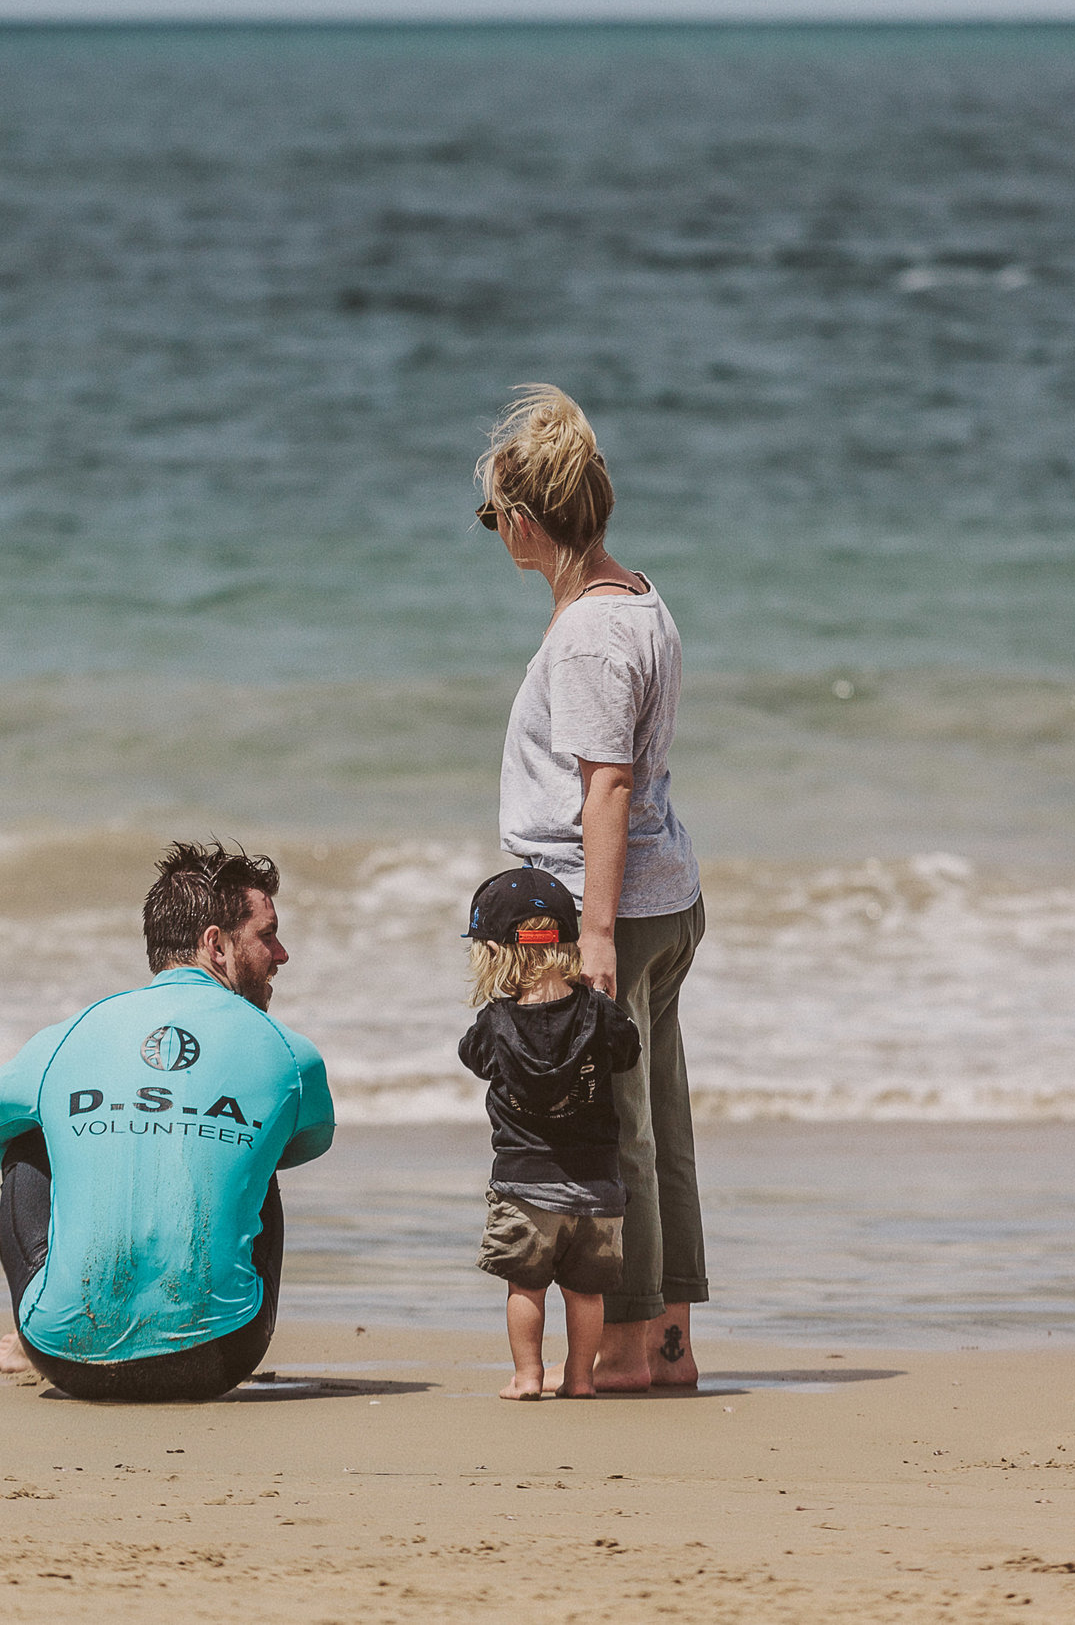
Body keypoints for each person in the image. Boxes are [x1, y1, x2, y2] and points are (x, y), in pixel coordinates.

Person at [476, 383, 707, 1390]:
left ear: (526, 521)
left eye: (494, 519)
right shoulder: (637, 598)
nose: (495, 535)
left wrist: (594, 934)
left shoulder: (585, 636)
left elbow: (604, 783)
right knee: (657, 1118)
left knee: (611, 1130)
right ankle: (668, 1335)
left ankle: (623, 1342)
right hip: (664, 889)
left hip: (598, 905)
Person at [0, 841, 334, 1402]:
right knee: (259, 1154)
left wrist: (105, 1130)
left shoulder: (72, 1033)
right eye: (267, 935)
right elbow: (309, 1140)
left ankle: (47, 1304)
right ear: (216, 944)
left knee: (27, 1138)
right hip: (221, 1352)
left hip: (64, 1355)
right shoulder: (289, 1053)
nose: (281, 954)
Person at [459, 867, 640, 1401]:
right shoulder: (599, 1014)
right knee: (586, 1292)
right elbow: (628, 1052)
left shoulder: (496, 1022)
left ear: (493, 953)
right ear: (567, 945)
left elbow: (472, 1057)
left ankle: (528, 1376)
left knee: (526, 1285)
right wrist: (597, 1001)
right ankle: (581, 1378)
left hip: (525, 1184)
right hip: (596, 1187)